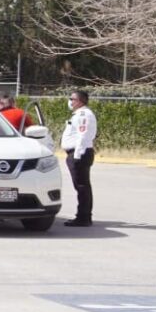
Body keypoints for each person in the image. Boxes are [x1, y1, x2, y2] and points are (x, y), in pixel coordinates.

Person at [61, 89, 97, 227]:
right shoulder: (79, 114)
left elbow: (83, 135)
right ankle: (84, 215)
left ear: (80, 101)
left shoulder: (83, 115)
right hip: (78, 153)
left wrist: (77, 155)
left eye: (72, 99)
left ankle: (83, 217)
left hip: (79, 153)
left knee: (82, 186)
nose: (70, 101)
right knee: (82, 186)